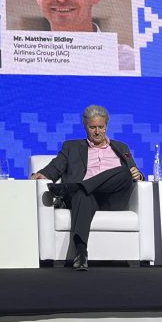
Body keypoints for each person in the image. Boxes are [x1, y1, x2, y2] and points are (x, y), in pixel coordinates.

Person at [31, 104, 143, 270]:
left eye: (101, 127)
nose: (97, 132)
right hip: (87, 198)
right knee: (83, 195)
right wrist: (42, 174)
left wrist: (138, 175)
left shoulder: (121, 147)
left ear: (106, 127)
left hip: (113, 199)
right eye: (92, 127)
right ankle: (81, 254)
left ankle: (74, 187)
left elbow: (134, 172)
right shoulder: (71, 147)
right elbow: (55, 167)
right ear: (85, 127)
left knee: (124, 172)